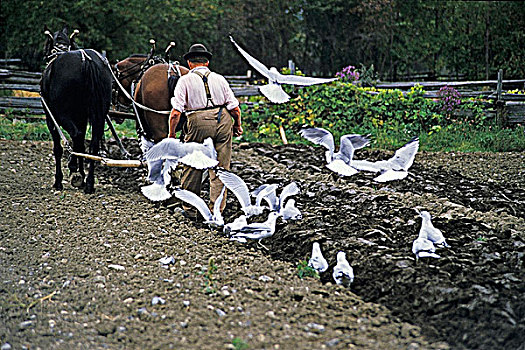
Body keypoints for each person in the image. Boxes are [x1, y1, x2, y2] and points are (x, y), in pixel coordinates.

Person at [168, 43, 243, 217]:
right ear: (207, 62)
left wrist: (172, 134)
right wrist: (237, 125)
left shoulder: (185, 80)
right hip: (223, 119)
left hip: (198, 121)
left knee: (192, 165)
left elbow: (175, 113)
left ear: (189, 63)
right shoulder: (220, 79)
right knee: (221, 167)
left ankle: (190, 209)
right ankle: (216, 211)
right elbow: (235, 108)